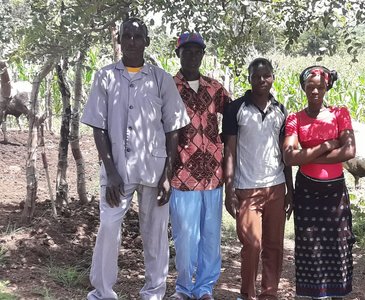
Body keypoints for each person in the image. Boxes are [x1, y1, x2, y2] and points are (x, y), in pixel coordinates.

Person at [81, 17, 190, 300]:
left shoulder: (160, 79)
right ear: (119, 41)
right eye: (126, 36)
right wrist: (111, 171)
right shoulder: (105, 77)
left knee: (155, 234)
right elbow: (98, 126)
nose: (131, 41)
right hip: (117, 170)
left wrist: (167, 174)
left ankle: (153, 293)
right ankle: (102, 293)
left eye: (137, 36)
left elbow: (173, 129)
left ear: (147, 41)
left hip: (153, 170)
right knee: (108, 228)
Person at [223, 58, 294, 300]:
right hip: (247, 188)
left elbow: (286, 154)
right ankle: (248, 294)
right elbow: (230, 151)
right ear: (250, 78)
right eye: (256, 76)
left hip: (276, 186)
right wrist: (228, 188)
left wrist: (290, 190)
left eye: (266, 75)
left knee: (274, 246)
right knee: (252, 245)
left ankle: (269, 293)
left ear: (273, 77)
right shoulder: (236, 109)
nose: (262, 80)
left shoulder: (280, 111)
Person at [282, 66, 356, 299]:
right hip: (307, 191)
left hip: (335, 192)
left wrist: (308, 154)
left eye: (320, 87)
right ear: (303, 87)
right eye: (310, 86)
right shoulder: (295, 118)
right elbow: (289, 157)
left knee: (337, 243)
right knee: (309, 245)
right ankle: (314, 294)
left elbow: (350, 150)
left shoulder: (339, 114)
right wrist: (326, 146)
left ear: (327, 87)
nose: (315, 91)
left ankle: (335, 292)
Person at [168, 32, 231, 300]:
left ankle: (205, 288)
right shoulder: (169, 87)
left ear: (203, 55)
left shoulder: (215, 88)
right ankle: (183, 287)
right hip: (182, 176)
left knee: (210, 237)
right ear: (178, 53)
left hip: (213, 176)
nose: (192, 56)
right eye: (187, 51)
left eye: (197, 51)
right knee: (184, 238)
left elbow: (232, 125)